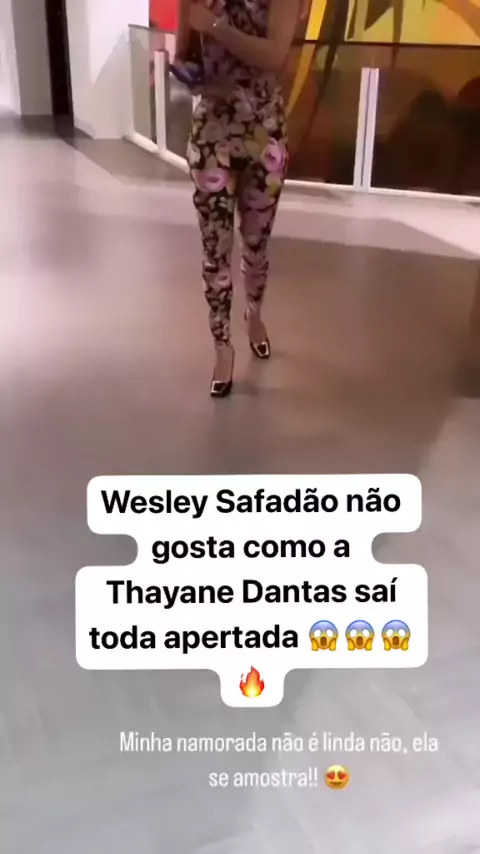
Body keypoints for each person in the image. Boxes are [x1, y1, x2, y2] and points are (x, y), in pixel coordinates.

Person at [175, 0, 300, 397]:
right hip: (212, 130)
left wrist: (216, 27)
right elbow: (184, 57)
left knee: (256, 244)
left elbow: (275, 55)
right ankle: (222, 346)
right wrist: (197, 78)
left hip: (264, 131)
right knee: (215, 249)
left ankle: (255, 314)